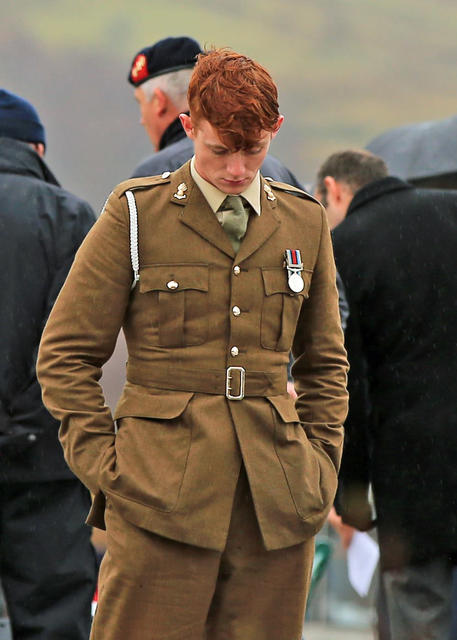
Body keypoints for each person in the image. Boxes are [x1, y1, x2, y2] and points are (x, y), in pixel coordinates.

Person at [37, 48, 348, 639]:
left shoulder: (304, 222)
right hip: (155, 501)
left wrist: (321, 464)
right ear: (188, 127)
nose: (237, 169)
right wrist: (108, 472)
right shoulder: (136, 216)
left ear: (275, 131)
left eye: (253, 150)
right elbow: (65, 355)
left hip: (278, 506)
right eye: (220, 150)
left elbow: (325, 361)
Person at [315, 149, 457, 640]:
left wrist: (350, 496)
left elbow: (347, 385)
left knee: (420, 611)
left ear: (334, 189)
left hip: (414, 477)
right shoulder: (451, 209)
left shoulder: (345, 247)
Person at [0, 89, 97, 639]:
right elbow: (82, 344)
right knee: (54, 618)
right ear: (36, 148)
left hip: (41, 452)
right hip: (46, 464)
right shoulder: (67, 215)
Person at [128, 36, 305, 188]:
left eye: (141, 102)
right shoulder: (280, 173)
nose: (236, 171)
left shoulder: (152, 176)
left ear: (159, 101)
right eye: (219, 151)